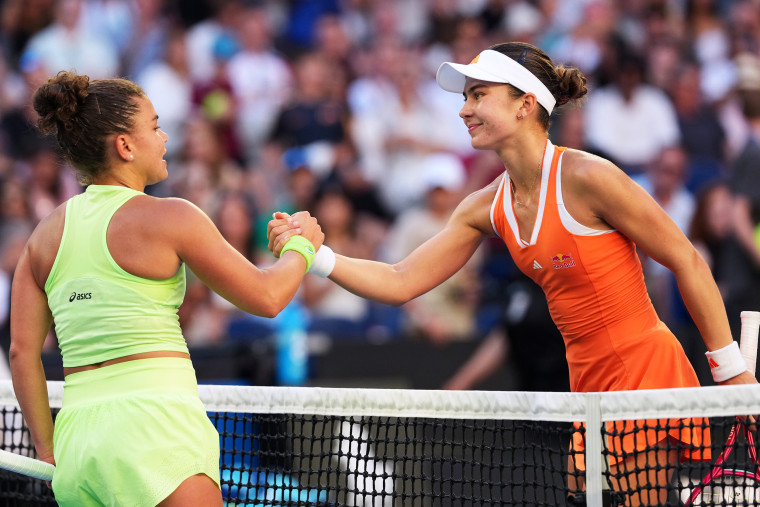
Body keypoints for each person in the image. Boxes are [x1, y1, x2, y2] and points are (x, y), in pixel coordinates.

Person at [268, 42, 757, 506]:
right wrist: (318, 255)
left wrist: (729, 368)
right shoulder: (484, 206)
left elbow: (686, 259)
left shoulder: (589, 177)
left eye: (479, 95)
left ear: (525, 104)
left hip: (645, 373)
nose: (464, 109)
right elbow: (399, 279)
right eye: (465, 97)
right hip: (585, 386)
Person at [9, 71, 323, 506]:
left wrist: (47, 450)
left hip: (78, 444)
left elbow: (22, 354)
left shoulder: (42, 236)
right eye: (155, 126)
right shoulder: (173, 216)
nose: (165, 137)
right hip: (158, 429)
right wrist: (303, 247)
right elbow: (268, 297)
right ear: (125, 146)